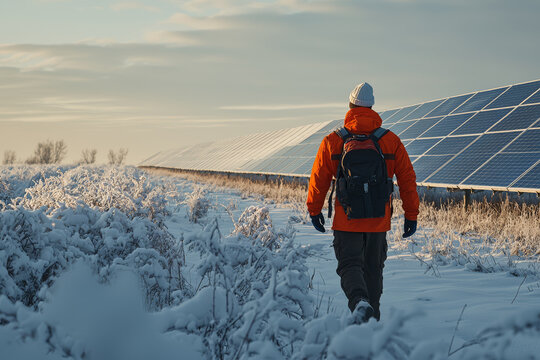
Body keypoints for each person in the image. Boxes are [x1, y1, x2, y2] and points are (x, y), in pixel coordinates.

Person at [306, 82, 419, 323]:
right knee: (374, 269)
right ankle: (372, 319)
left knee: (349, 265)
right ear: (372, 107)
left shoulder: (333, 140)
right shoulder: (390, 140)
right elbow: (408, 180)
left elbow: (319, 179)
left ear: (350, 106)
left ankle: (359, 303)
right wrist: (411, 214)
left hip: (346, 220)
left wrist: (314, 210)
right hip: (378, 219)